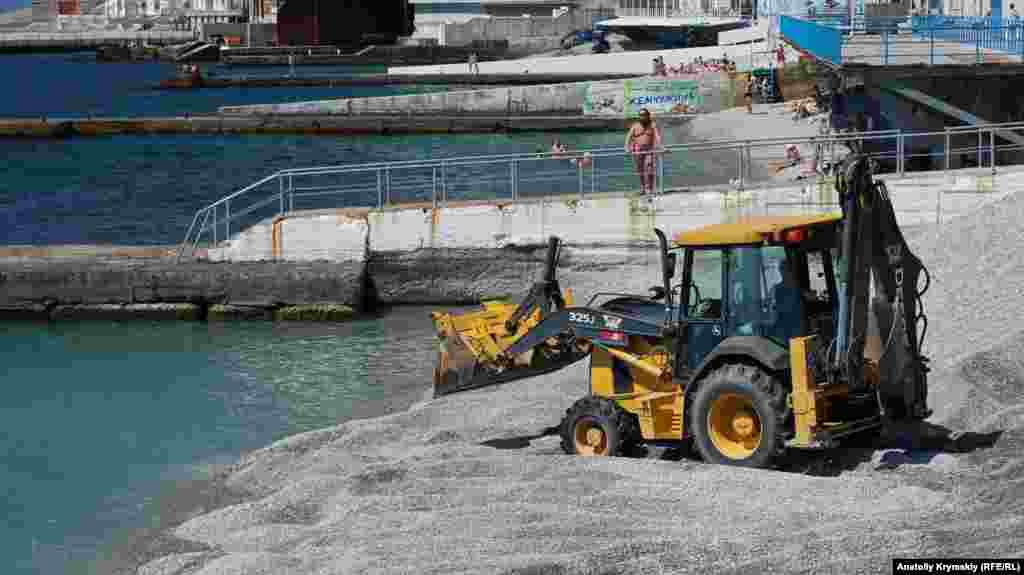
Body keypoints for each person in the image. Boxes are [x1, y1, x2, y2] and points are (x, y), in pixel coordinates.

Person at [625, 108, 661, 195]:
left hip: (649, 150)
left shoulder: (652, 125)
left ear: (648, 115)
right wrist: (627, 147)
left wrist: (661, 146)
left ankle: (650, 188)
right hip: (638, 151)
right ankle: (643, 188)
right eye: (640, 115)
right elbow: (628, 137)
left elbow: (657, 136)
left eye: (644, 114)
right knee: (640, 170)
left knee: (649, 168)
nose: (642, 116)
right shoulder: (635, 126)